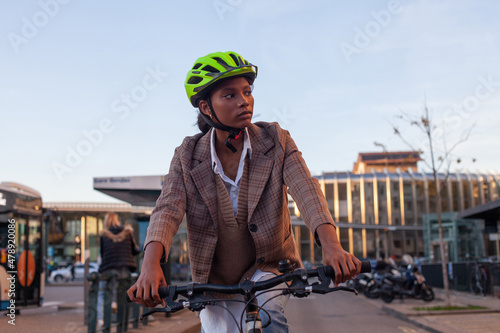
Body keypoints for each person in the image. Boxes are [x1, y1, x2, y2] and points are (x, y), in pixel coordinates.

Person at [127, 51, 361, 332]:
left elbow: (307, 190)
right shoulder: (187, 156)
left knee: (270, 318)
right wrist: (150, 265)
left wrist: (333, 248)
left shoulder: (276, 140)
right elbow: (167, 209)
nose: (244, 101)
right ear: (205, 106)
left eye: (247, 92)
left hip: (271, 267)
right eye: (229, 95)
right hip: (214, 278)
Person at [98, 213, 141, 325]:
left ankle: (101, 319)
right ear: (117, 220)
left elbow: (103, 254)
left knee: (103, 293)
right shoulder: (127, 233)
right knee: (123, 292)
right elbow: (136, 250)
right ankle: (123, 322)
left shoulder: (104, 235)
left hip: (109, 268)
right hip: (124, 269)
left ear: (106, 221)